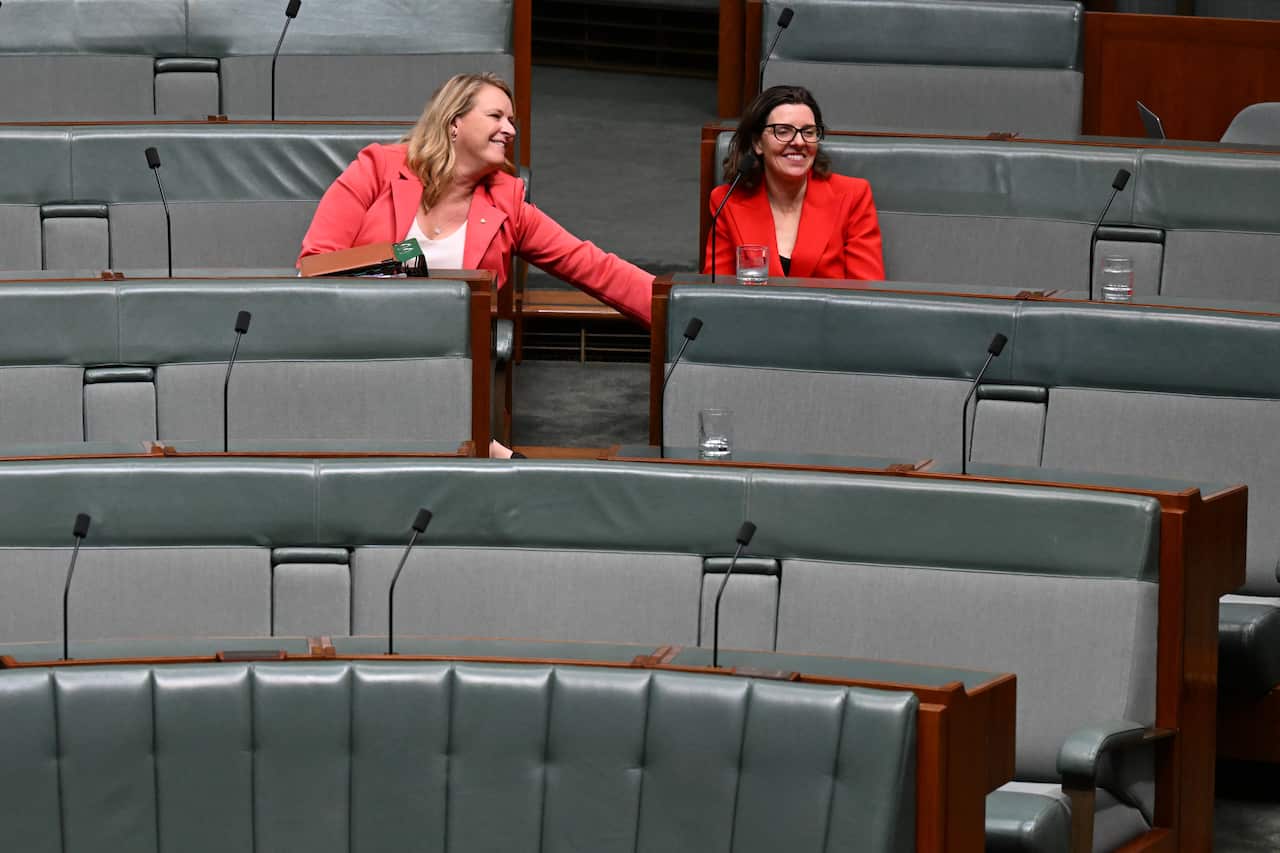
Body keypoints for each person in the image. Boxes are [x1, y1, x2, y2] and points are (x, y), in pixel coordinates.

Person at [298, 72, 654, 326]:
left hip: (450, 360)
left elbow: (594, 267)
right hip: (356, 336)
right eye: (496, 116)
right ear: (454, 123)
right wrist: (410, 257)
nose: (511, 130)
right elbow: (314, 265)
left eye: (512, 120)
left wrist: (685, 308)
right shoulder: (378, 168)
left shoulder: (505, 204)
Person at [703, 85, 885, 281]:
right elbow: (717, 291)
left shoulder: (852, 196)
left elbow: (867, 293)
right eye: (783, 131)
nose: (799, 142)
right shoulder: (726, 202)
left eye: (808, 132)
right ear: (757, 143)